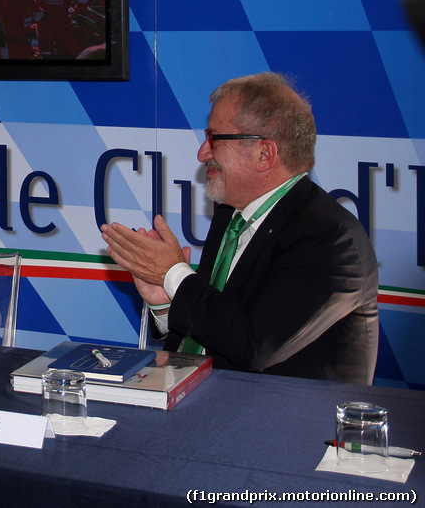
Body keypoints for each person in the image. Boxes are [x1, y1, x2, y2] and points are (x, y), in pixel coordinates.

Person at [101, 73, 379, 384]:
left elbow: (251, 346)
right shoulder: (230, 217)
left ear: (265, 154)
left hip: (288, 426)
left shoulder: (329, 238)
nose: (202, 153)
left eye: (214, 139)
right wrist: (164, 301)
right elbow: (217, 327)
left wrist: (172, 274)